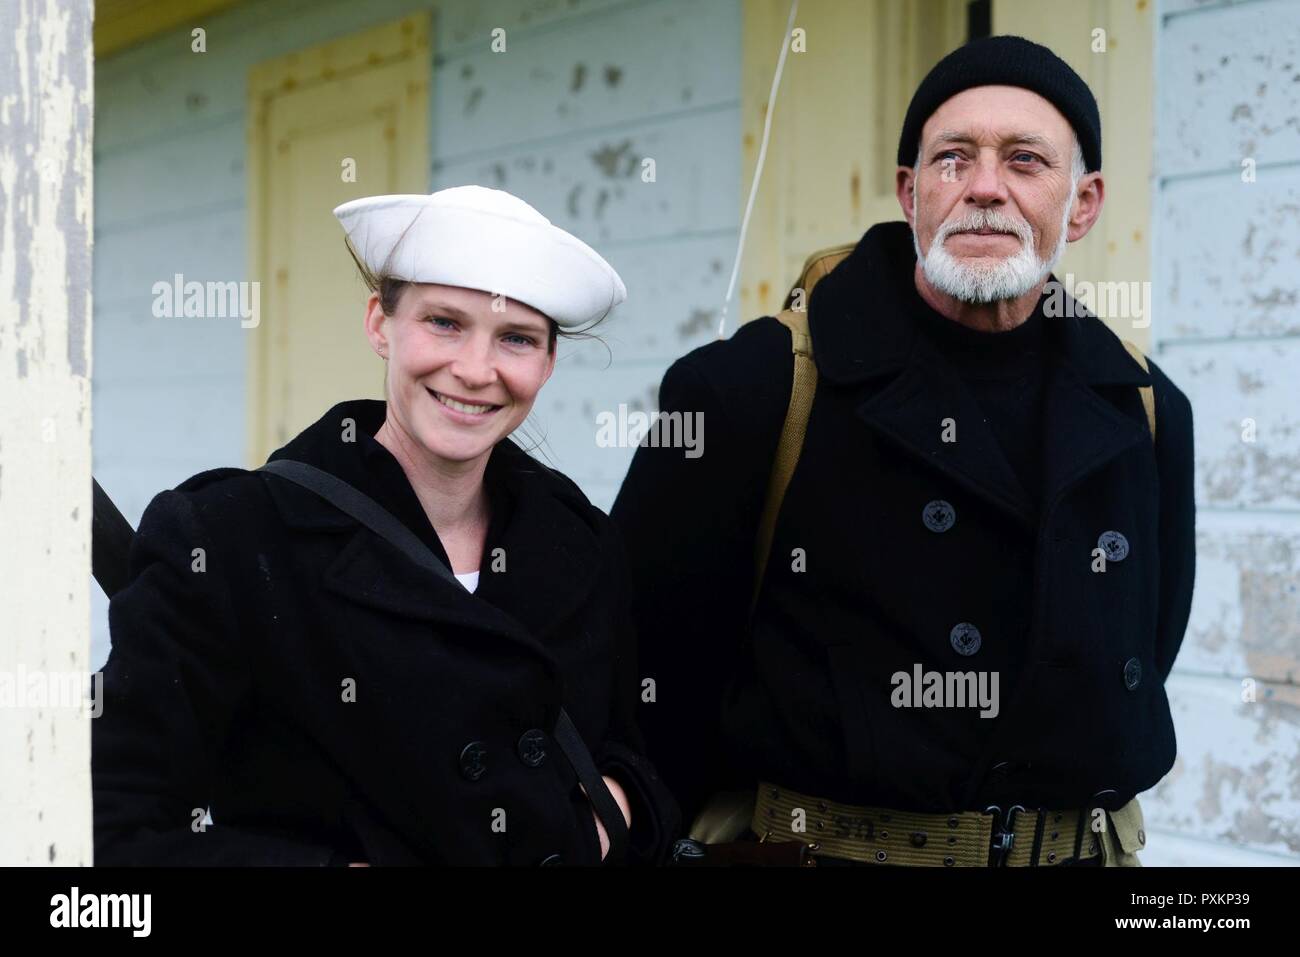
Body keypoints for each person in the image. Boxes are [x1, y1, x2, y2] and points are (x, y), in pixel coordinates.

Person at [613, 36, 1195, 867]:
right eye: (953, 158)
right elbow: (643, 672)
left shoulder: (1146, 408)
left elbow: (1147, 646)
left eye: (1025, 161)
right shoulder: (754, 387)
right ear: (909, 191)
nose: (984, 187)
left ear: (1086, 202)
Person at [94, 185, 680, 866]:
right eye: (444, 323)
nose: (474, 369)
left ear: (547, 362)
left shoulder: (580, 543)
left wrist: (615, 808)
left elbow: (631, 745)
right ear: (380, 323)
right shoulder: (228, 539)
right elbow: (110, 818)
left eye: (516, 338)